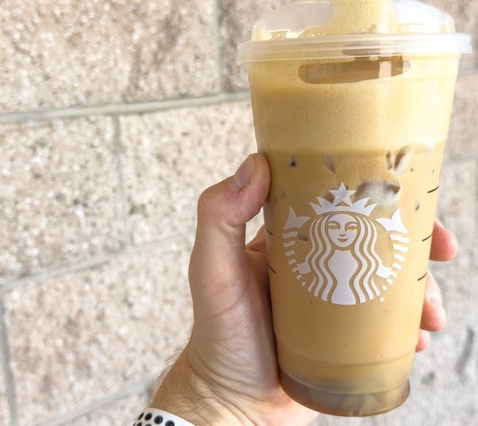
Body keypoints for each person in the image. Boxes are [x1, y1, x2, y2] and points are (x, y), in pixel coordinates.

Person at [141, 153, 458, 425]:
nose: (342, 232)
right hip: (282, 377)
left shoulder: (369, 261)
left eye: (351, 225)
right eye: (334, 225)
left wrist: (215, 400)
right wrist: (215, 394)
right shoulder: (314, 263)